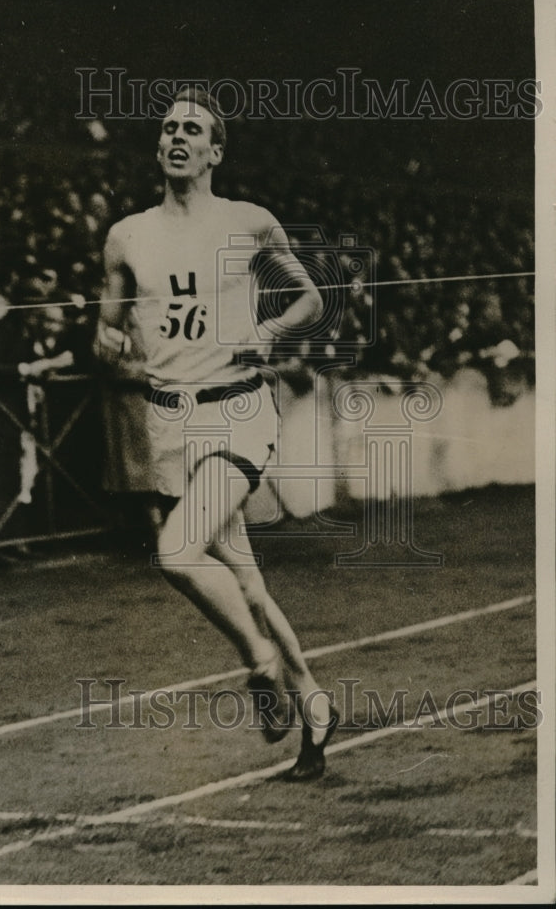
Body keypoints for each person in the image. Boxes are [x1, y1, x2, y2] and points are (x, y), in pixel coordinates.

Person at [98, 88, 339, 780]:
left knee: (177, 552)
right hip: (169, 419)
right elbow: (106, 325)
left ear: (214, 151)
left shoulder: (248, 222)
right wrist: (106, 341)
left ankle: (260, 667)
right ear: (159, 145)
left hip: (237, 411)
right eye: (168, 126)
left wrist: (263, 332)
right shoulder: (126, 235)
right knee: (244, 581)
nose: (177, 136)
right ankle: (314, 704)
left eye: (192, 129)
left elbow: (309, 298)